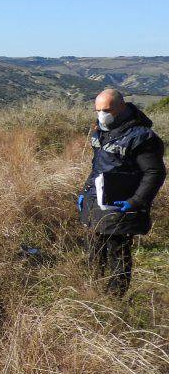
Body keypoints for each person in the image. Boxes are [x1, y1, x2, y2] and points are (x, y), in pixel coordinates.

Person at [79, 88, 165, 296]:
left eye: (106, 110)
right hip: (97, 200)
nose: (102, 115)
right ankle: (94, 291)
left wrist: (136, 201)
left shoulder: (142, 137)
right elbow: (98, 167)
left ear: (122, 107)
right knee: (94, 246)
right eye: (98, 110)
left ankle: (115, 300)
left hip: (120, 203)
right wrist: (85, 191)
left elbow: (155, 172)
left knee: (117, 250)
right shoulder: (101, 130)